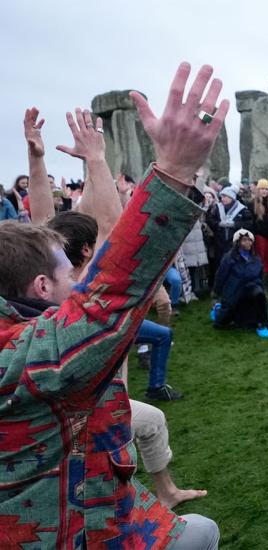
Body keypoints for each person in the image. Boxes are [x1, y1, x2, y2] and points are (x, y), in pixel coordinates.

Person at [0, 62, 224, 549]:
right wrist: (175, 170)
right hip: (75, 520)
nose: (77, 281)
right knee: (203, 534)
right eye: (67, 275)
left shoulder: (20, 318)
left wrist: (38, 161)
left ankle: (158, 488)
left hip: (82, 459)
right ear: (41, 286)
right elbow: (111, 291)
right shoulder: (34, 356)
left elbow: (42, 229)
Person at [213, 228, 268, 337]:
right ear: (238, 242)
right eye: (244, 240)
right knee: (220, 324)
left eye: (249, 240)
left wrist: (262, 290)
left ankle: (262, 324)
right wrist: (217, 293)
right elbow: (221, 276)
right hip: (234, 291)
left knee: (259, 295)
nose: (247, 242)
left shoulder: (256, 259)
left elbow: (260, 278)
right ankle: (218, 309)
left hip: (251, 289)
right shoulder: (229, 258)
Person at [207, 184, 253, 260]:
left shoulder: (242, 209)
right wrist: (218, 224)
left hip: (235, 241)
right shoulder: (217, 208)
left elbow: (249, 223)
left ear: (231, 197)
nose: (222, 199)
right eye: (221, 197)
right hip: (219, 242)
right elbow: (210, 220)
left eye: (225, 197)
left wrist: (235, 224)